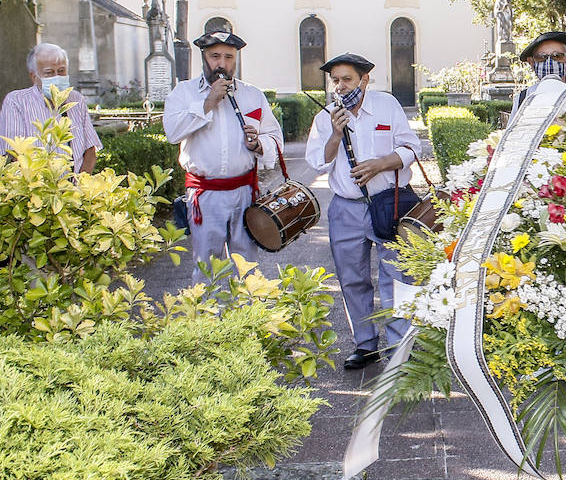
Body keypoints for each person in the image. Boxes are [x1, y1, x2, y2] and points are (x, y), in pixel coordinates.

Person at [306, 52, 423, 370]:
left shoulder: (387, 105)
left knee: (397, 275)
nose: (341, 86)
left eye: (347, 79)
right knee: (352, 279)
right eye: (336, 80)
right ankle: (365, 344)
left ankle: (400, 345)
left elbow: (413, 147)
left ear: (364, 79)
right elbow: (318, 161)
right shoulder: (325, 117)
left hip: (389, 204)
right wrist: (334, 134)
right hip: (346, 209)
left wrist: (380, 164)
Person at [163, 30, 283, 281]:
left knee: (247, 268)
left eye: (229, 57)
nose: (222, 64)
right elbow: (173, 132)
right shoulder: (183, 93)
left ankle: (246, 319)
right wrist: (209, 101)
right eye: (215, 56)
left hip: (245, 193)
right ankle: (209, 319)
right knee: (207, 268)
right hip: (205, 195)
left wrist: (259, 144)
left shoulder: (252, 94)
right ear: (204, 58)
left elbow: (274, 138)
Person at [0, 43, 101, 174]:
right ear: (34, 77)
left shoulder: (76, 99)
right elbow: (14, 154)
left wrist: (80, 185)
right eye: (49, 73)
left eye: (61, 71)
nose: (57, 77)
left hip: (75, 189)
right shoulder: (16, 101)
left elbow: (90, 150)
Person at [509, 31, 566, 123]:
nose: (549, 62)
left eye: (557, 56)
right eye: (541, 57)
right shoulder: (523, 98)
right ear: (531, 63)